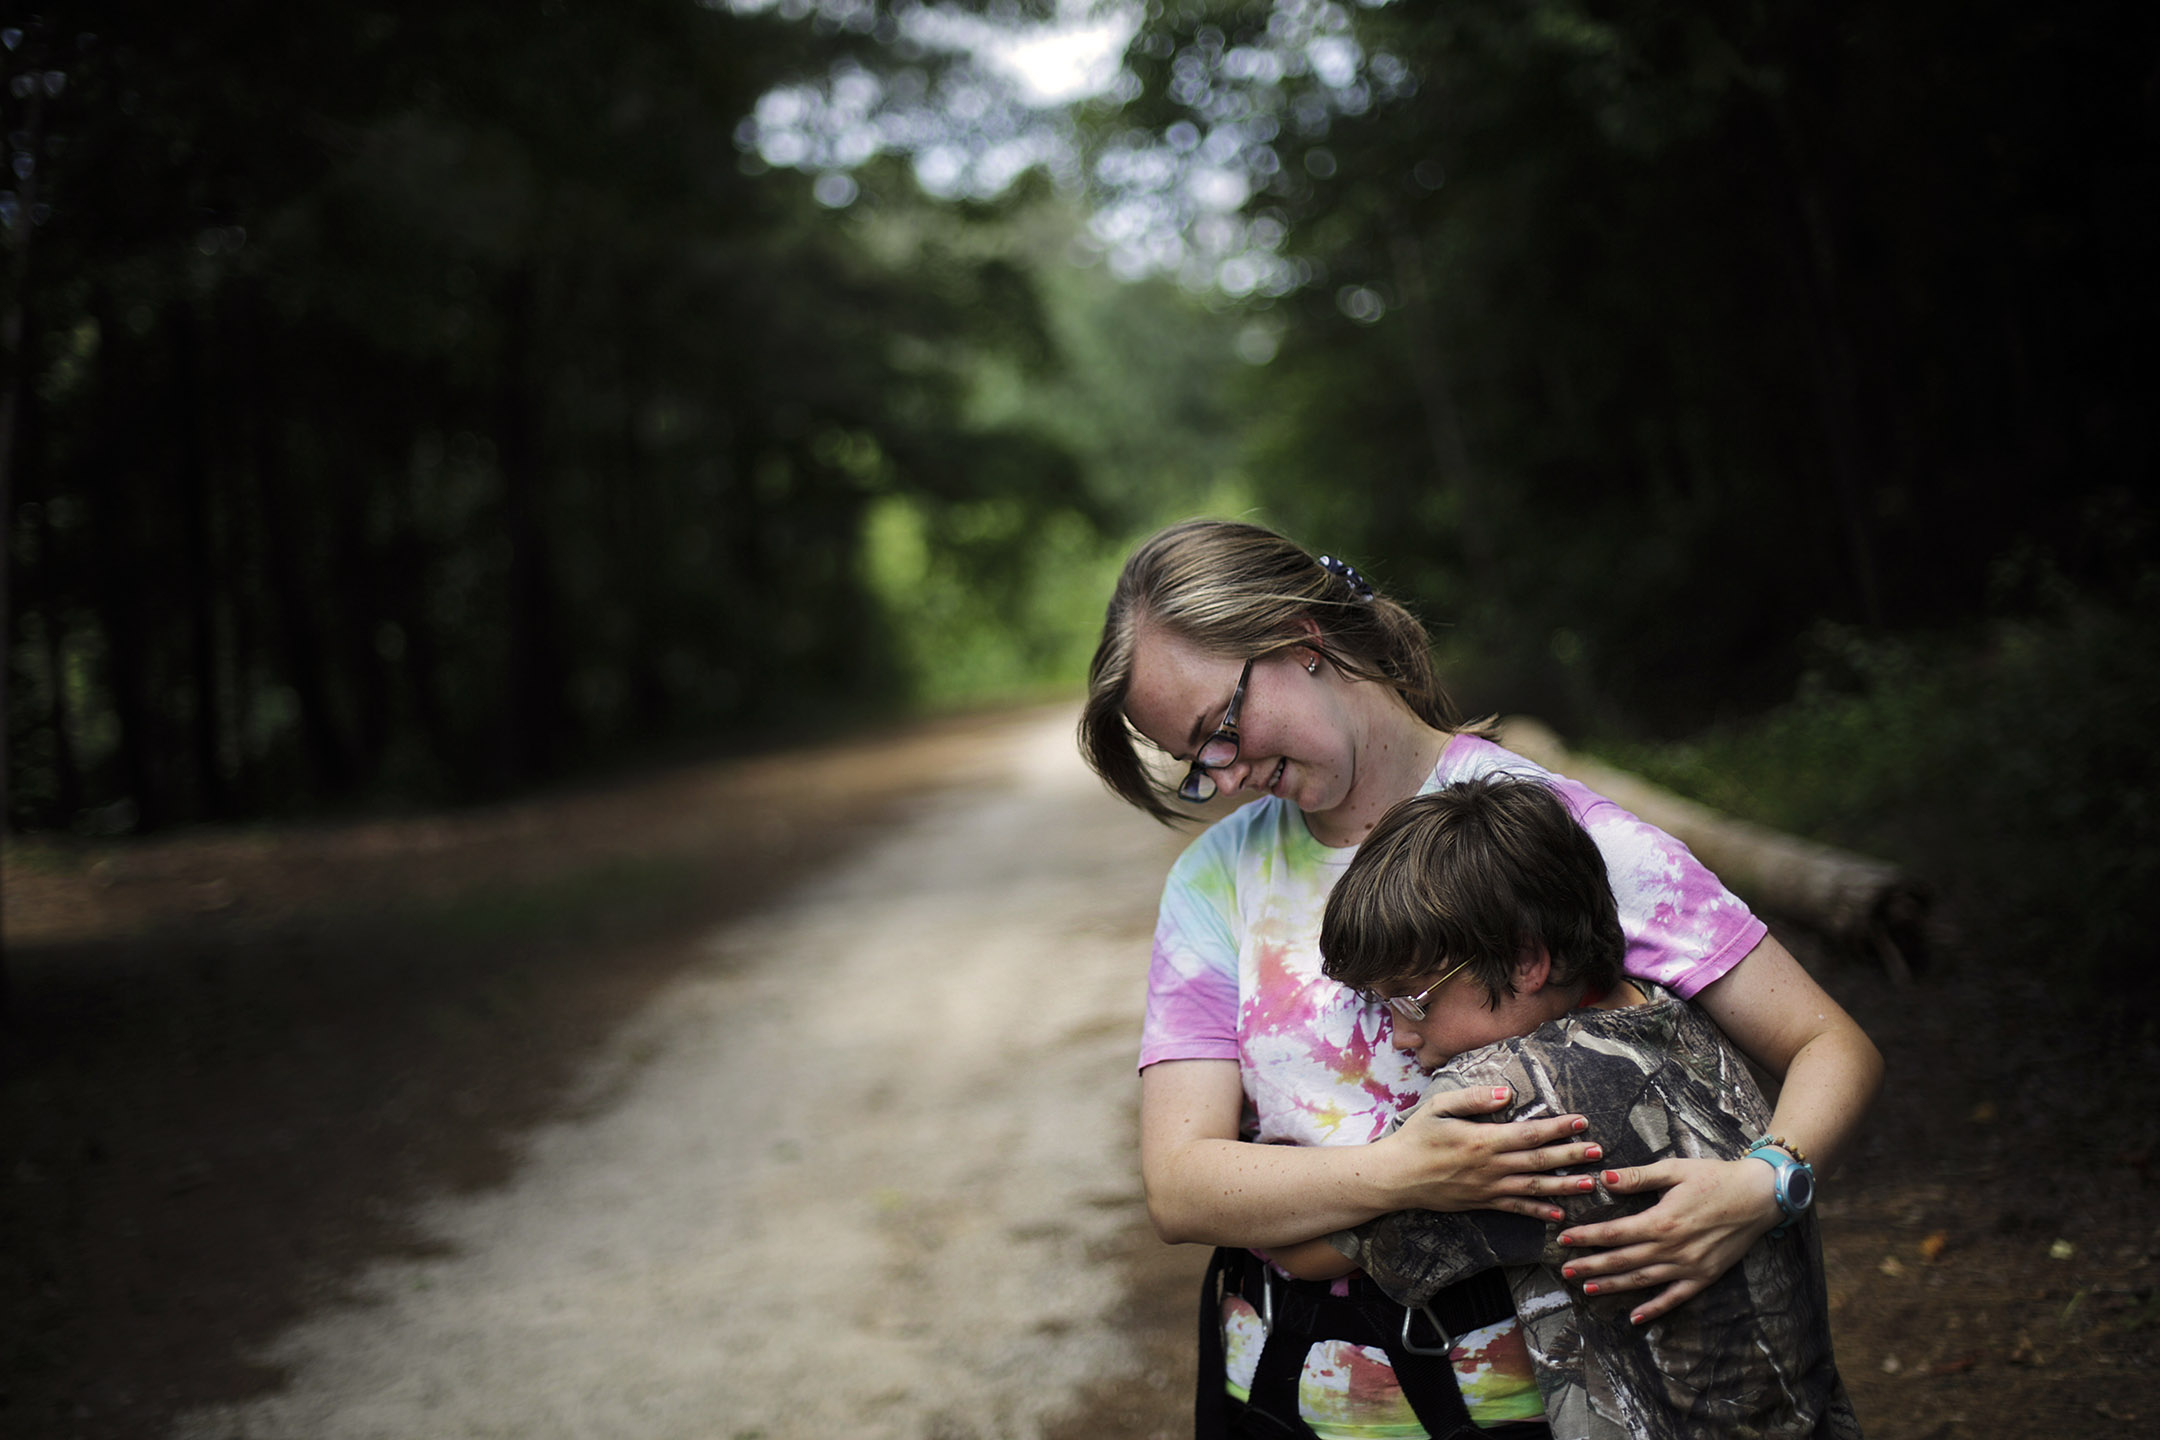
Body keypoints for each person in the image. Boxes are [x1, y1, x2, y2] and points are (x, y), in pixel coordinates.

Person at [1077, 519, 1882, 1440]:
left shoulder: (1552, 832)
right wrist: (1402, 1173)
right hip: (1288, 1386)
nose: (1221, 779)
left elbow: (1830, 1044)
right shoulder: (1216, 881)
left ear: (1301, 643)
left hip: (1547, 1397)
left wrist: (1765, 1185)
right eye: (1194, 764)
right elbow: (1182, 1185)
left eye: (1219, 730)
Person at [1260, 776, 1858, 1439]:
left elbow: (1303, 1251)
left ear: (1524, 962)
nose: (1400, 1035)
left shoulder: (1510, 1098)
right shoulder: (1675, 1019)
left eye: (1409, 998)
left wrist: (1276, 1155)